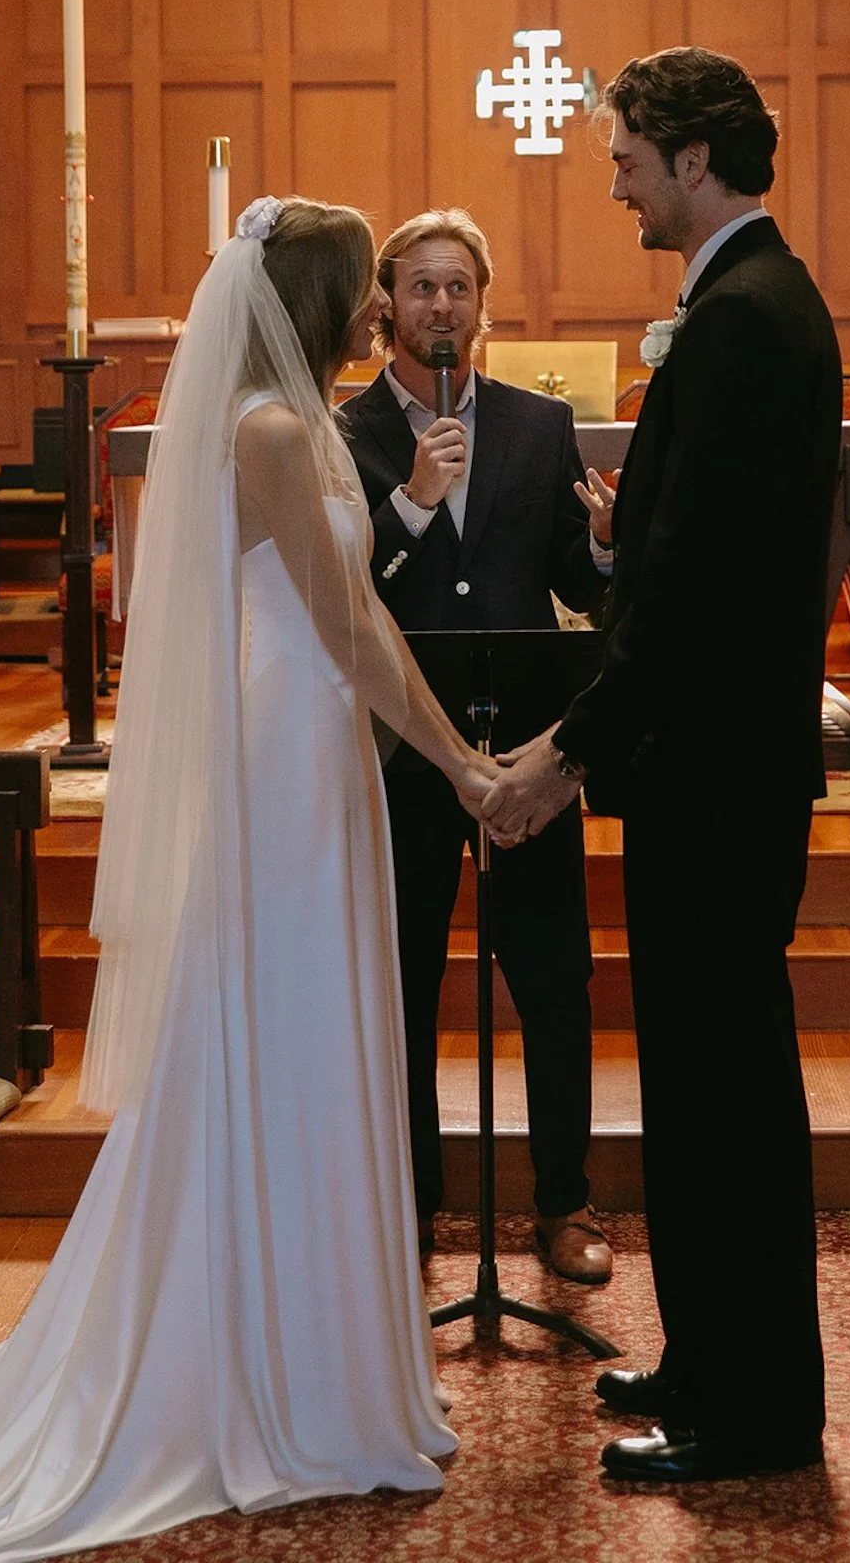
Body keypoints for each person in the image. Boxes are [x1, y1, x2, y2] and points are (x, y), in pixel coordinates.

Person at [0, 197, 498, 1561]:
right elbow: (352, 628)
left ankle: (316, 1353)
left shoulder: (306, 422)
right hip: (286, 772)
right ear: (315, 306)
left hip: (321, 760)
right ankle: (263, 1372)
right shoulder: (265, 433)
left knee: (317, 1046)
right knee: (285, 1040)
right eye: (366, 291)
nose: (385, 309)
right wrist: (470, 771)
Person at [483, 48, 843, 1483]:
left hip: (714, 771)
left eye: (628, 153)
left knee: (726, 1093)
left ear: (695, 160)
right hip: (712, 766)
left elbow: (699, 599)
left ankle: (751, 1416)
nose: (615, 177)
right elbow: (710, 556)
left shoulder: (748, 317)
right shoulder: (753, 302)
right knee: (700, 1086)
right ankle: (710, 1362)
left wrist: (569, 750)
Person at [342, 209, 617, 1283]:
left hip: (525, 761)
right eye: (420, 288)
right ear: (385, 306)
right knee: (401, 982)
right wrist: (411, 505)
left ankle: (564, 1205)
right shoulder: (347, 432)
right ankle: (409, 1206)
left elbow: (577, 589)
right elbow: (340, 598)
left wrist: (596, 544)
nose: (440, 307)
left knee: (553, 979)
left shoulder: (536, 427)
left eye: (458, 288)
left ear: (483, 305)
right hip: (401, 749)